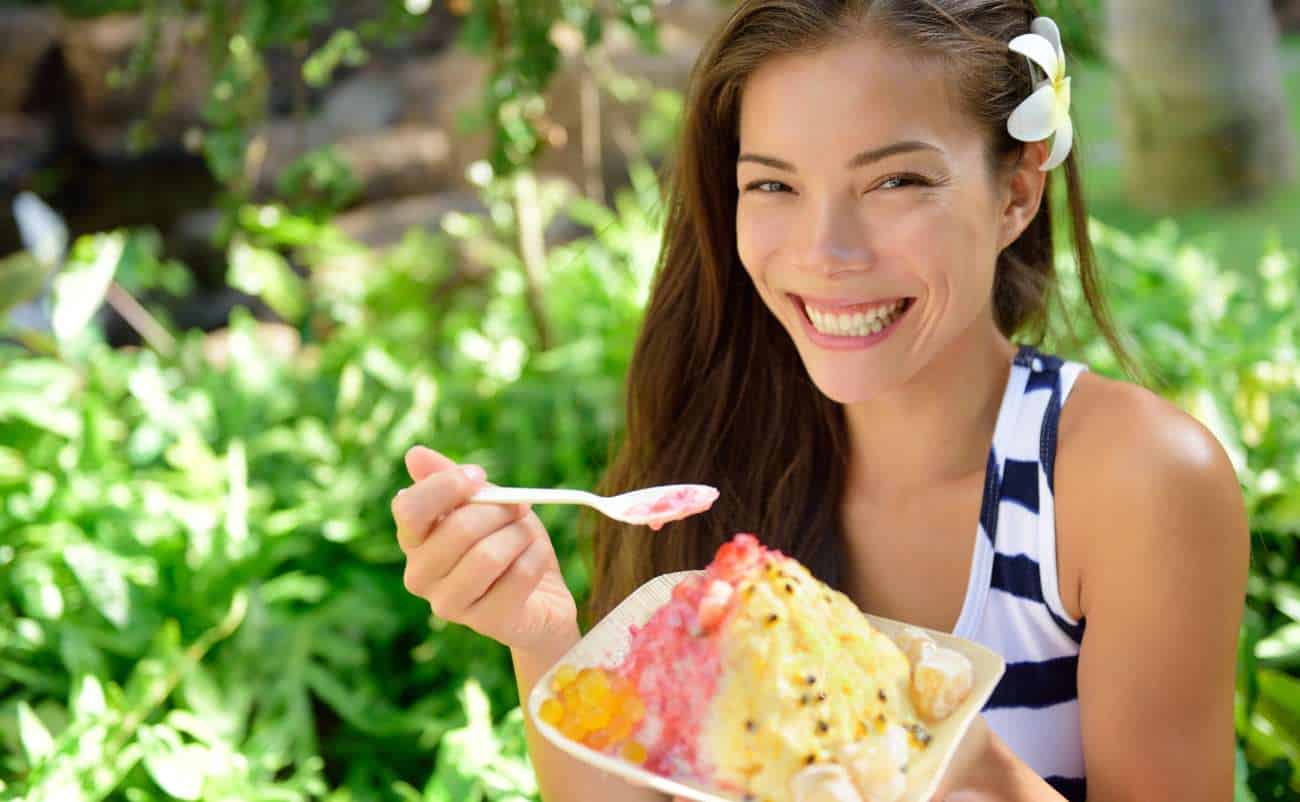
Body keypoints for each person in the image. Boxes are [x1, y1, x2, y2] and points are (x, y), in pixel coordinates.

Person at [390, 1, 1250, 800]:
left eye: (896, 183)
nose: (825, 251)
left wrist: (951, 758)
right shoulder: (723, 446)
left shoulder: (1132, 482)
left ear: (1017, 192)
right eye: (773, 185)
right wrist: (542, 638)